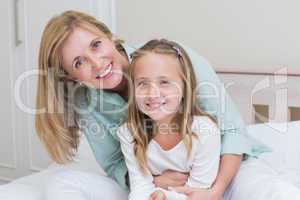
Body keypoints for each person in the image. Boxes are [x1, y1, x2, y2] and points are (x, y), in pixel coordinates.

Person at [35, 10, 282, 200]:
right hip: (158, 186)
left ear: (108, 35)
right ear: (69, 77)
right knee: (60, 183)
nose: (97, 64)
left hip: (224, 170)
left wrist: (214, 190)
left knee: (272, 191)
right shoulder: (87, 104)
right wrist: (157, 183)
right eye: (79, 62)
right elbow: (113, 162)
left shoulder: (171, 58)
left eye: (96, 45)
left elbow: (232, 130)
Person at [117, 39, 221, 200]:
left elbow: (197, 192)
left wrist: (163, 195)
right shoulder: (129, 133)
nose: (152, 93)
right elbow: (140, 187)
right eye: (143, 83)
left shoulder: (204, 131)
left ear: (185, 87)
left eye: (164, 82)